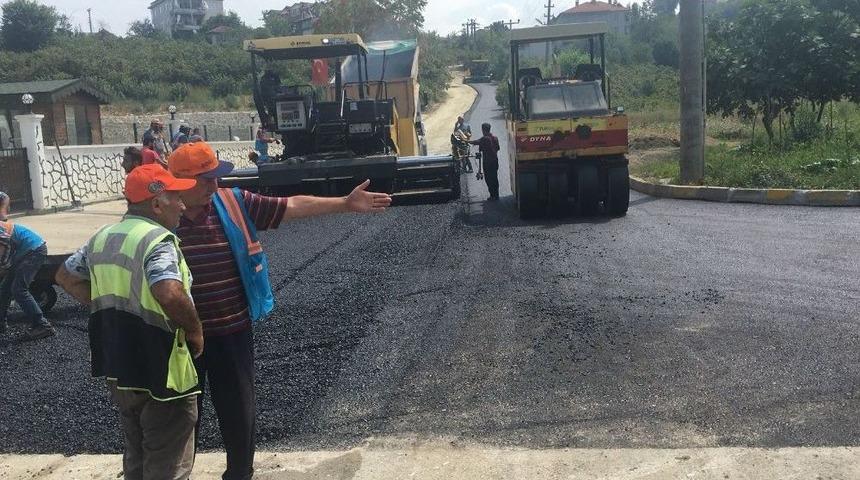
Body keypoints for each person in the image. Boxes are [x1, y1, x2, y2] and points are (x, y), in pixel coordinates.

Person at [167, 142, 391, 480]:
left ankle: (240, 474)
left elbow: (291, 206)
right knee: (182, 415)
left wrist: (344, 203)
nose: (216, 185)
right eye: (207, 179)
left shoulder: (233, 201)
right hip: (180, 339)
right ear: (182, 182)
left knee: (238, 410)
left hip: (232, 330)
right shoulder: (160, 214)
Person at [55, 165, 203, 480]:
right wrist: (194, 328)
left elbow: (65, 276)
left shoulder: (102, 237)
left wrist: (105, 305)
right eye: (176, 197)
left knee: (136, 449)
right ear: (156, 204)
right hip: (160, 363)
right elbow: (168, 291)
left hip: (117, 361)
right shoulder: (156, 239)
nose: (183, 205)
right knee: (168, 458)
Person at [0, 194, 55, 340]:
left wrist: (4, 267)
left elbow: (4, 256)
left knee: (18, 289)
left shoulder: (1, 232)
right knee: (4, 288)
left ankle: (42, 325)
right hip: (21, 252)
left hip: (34, 249)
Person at [470, 122, 501, 201]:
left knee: (488, 179)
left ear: (483, 130)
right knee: (494, 178)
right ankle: (496, 195)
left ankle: (492, 195)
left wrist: (466, 141)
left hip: (487, 162)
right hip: (495, 161)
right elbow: (498, 148)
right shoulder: (495, 138)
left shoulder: (484, 138)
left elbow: (475, 142)